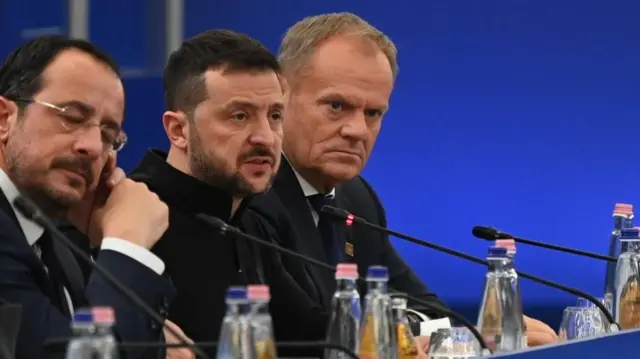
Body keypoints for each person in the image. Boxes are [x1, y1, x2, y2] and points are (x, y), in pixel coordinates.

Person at [249, 12, 559, 348]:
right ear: (280, 98)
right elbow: (307, 333)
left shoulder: (356, 198)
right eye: (336, 106)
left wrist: (465, 333)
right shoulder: (252, 197)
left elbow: (426, 306)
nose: (357, 131)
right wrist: (401, 334)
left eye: (373, 113)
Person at [115, 29, 326, 358]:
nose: (266, 138)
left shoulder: (251, 220)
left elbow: (315, 337)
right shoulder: (127, 216)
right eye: (239, 116)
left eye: (275, 116)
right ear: (179, 130)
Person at [0, 36, 175, 358]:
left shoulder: (52, 241)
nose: (93, 147)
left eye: (108, 134)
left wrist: (99, 243)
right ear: (5, 119)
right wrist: (127, 245)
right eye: (72, 117)